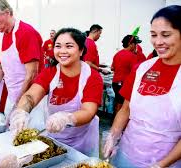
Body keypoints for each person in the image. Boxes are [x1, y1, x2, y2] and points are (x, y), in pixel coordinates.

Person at [103, 5, 181, 168]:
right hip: (127, 153)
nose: (158, 42)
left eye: (165, 35)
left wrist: (161, 164)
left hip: (166, 159)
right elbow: (125, 109)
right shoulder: (143, 68)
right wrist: (112, 136)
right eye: (153, 35)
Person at [9, 28, 103, 157]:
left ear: (81, 50)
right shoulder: (50, 73)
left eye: (69, 46)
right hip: (55, 139)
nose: (62, 51)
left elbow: (88, 112)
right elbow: (31, 96)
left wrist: (67, 118)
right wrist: (21, 112)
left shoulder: (92, 77)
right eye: (58, 46)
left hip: (82, 143)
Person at [0, 0, 44, 123]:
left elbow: (31, 74)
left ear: (8, 13)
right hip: (13, 97)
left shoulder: (26, 33)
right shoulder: (1, 37)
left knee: (30, 137)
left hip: (32, 100)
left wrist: (19, 105)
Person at [111, 35, 139, 114]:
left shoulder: (117, 54)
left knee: (118, 101)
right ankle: (117, 123)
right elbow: (135, 71)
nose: (136, 46)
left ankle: (114, 120)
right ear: (131, 44)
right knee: (122, 105)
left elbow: (112, 68)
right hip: (124, 84)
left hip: (115, 83)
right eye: (135, 44)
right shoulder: (132, 56)